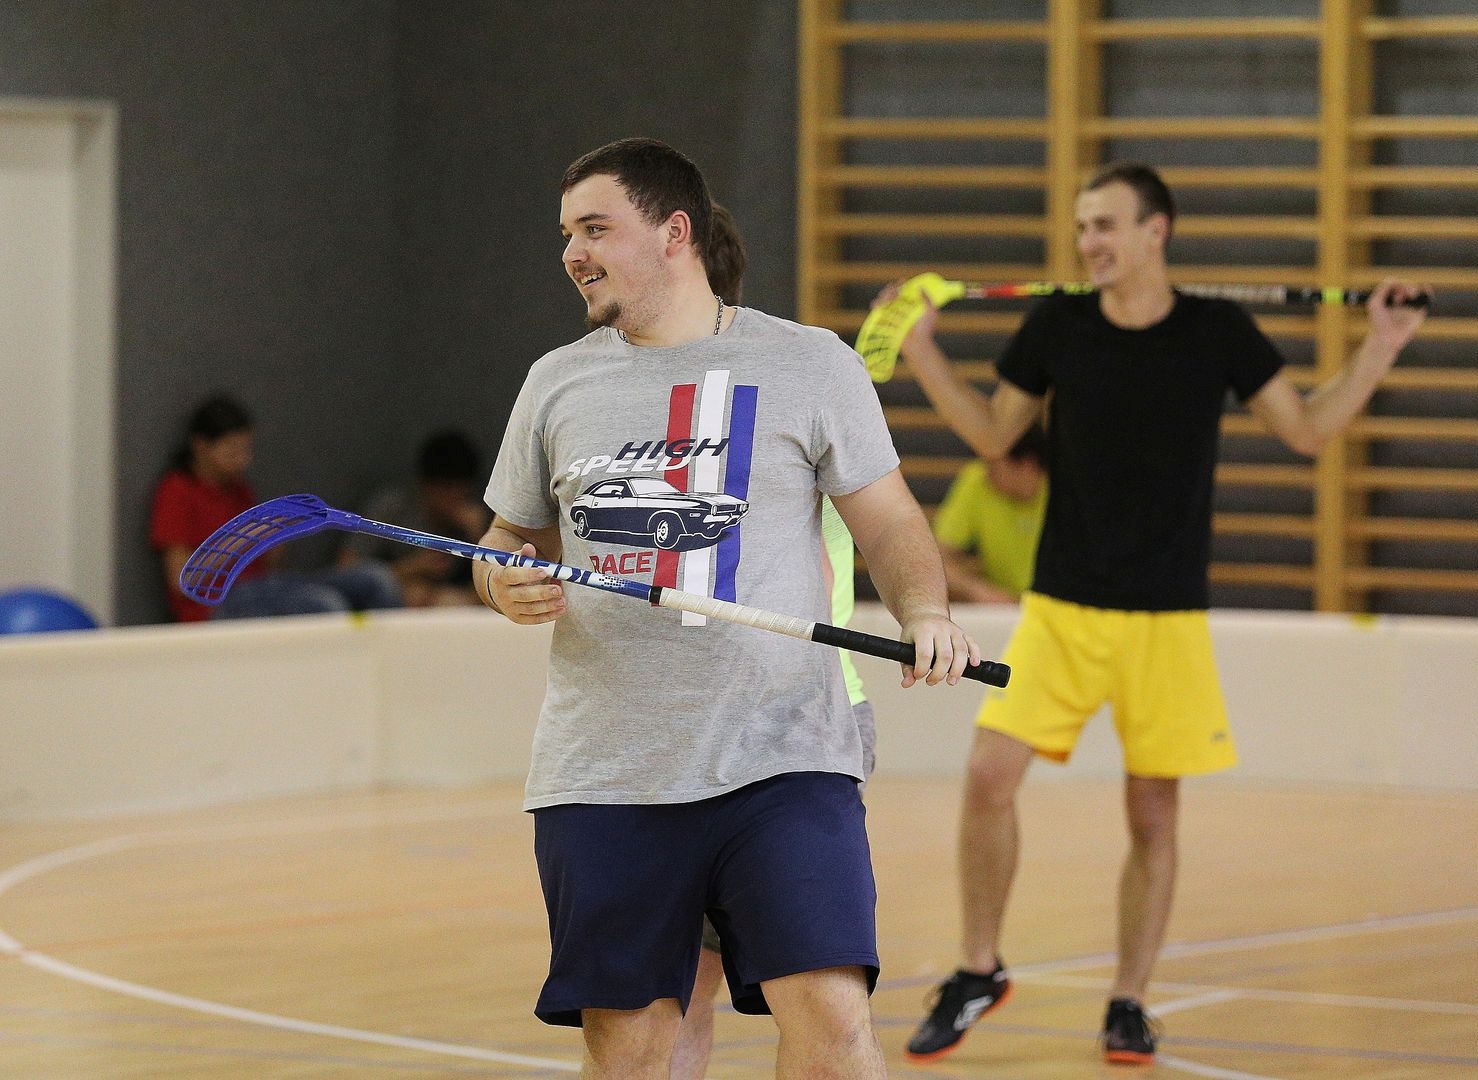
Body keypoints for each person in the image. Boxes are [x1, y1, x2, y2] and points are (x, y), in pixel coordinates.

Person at [893, 162, 1429, 1065]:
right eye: (1082, 227)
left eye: (1105, 225)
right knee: (988, 777)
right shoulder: (1058, 325)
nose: (1089, 242)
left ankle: (1129, 1001)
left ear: (1156, 231)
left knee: (1152, 818)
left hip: (1167, 619)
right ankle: (978, 968)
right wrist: (920, 351)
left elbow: (1306, 430)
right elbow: (991, 434)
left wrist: (1382, 344)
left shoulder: (1217, 331)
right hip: (1063, 610)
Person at [477, 137, 979, 1080]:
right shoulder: (555, 380)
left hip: (785, 755)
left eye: (595, 229)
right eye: (567, 234)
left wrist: (925, 611)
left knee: (833, 1020)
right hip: (607, 771)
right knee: (633, 1046)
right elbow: (505, 539)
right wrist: (501, 579)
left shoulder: (811, 363)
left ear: (675, 233)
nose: (573, 253)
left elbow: (888, 518)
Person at [668, 201, 881, 1080]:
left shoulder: (769, 393)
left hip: (794, 729)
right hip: (689, 730)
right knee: (681, 990)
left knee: (814, 998)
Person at [149, 395, 402, 623]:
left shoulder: (238, 489)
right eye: (233, 451)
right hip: (215, 604)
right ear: (201, 445)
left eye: (246, 450)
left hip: (266, 586)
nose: (243, 460)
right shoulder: (177, 489)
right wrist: (247, 538)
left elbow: (270, 569)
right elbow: (182, 580)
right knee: (324, 604)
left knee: (376, 579)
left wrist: (278, 537)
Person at [339, 430, 491, 607]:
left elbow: (497, 583)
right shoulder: (393, 509)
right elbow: (347, 571)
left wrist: (479, 537)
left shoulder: (477, 515)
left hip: (451, 600)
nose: (454, 498)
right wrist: (412, 567)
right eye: (446, 489)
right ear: (426, 486)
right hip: (391, 596)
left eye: (462, 491)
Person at [932, 425, 1048, 605]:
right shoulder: (977, 481)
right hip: (1002, 610)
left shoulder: (1068, 489)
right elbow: (936, 559)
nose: (987, 471)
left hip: (1058, 608)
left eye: (993, 464)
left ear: (1027, 466)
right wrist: (976, 590)